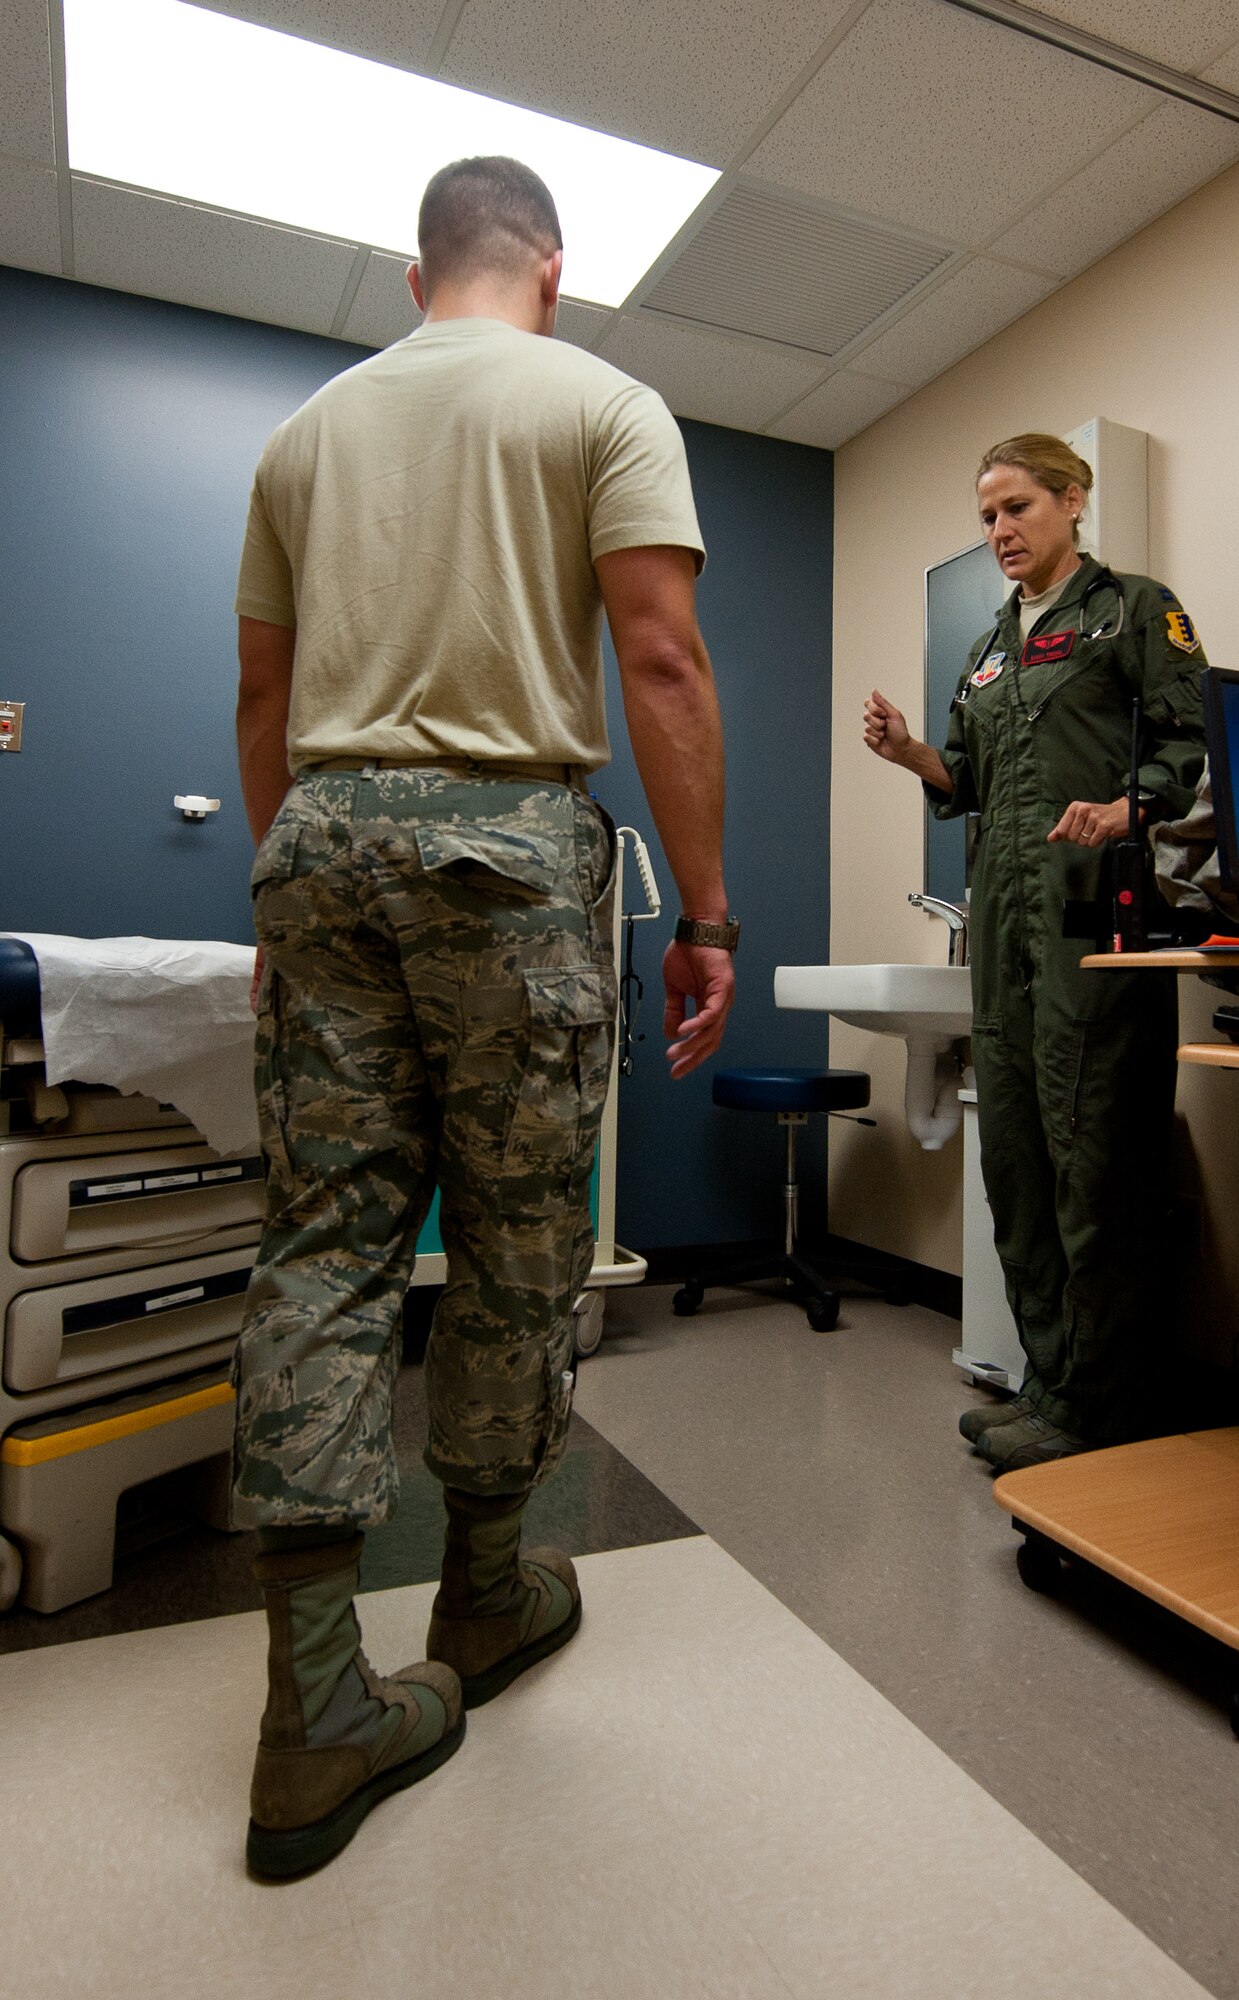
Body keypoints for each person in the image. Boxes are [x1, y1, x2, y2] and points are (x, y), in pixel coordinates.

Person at [231, 155, 736, 1879]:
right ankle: (484, 1595)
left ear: (411, 272)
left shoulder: (305, 431)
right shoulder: (601, 399)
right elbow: (658, 662)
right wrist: (709, 915)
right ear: (555, 267)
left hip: (318, 840)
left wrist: (283, 905)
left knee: (320, 1244)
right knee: (519, 1242)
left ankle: (311, 1711)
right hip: (504, 849)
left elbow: (264, 695)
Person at [863, 434, 1206, 1473]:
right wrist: (913, 752)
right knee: (1016, 1158)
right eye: (987, 517)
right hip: (1003, 936)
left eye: (1017, 508)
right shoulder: (987, 649)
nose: (1000, 531)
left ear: (1073, 500)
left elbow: (1194, 750)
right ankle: (1052, 1383)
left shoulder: (1135, 612)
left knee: (1096, 1160)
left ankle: (1105, 1398)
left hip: (1090, 931)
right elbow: (962, 777)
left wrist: (1127, 807)